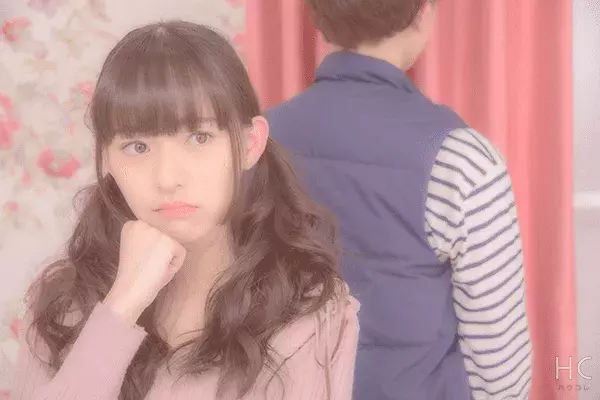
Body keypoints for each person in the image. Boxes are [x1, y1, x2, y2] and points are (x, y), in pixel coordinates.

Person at [11, 20, 359, 400]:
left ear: (250, 145)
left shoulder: (307, 313)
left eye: (199, 138)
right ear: (106, 157)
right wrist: (122, 305)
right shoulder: (61, 304)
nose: (167, 178)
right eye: (137, 147)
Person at [266, 0, 532, 399]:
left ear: (320, 18)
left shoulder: (259, 142)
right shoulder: (463, 159)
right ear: (422, 14)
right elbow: (501, 368)